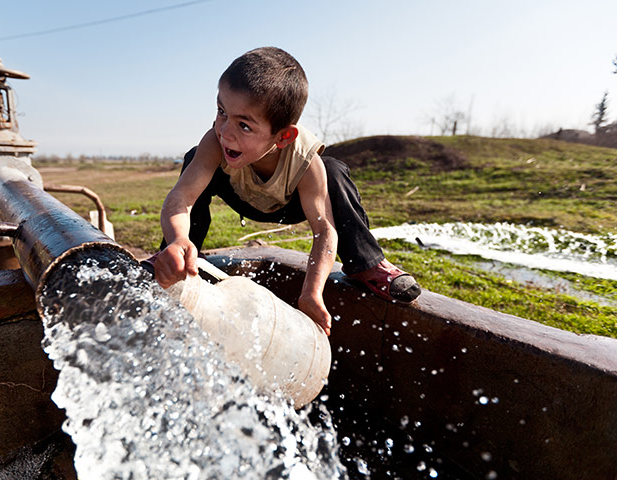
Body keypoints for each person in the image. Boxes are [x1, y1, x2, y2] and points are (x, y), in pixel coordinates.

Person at [153, 46, 420, 336]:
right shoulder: (216, 142)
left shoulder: (306, 161)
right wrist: (177, 238)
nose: (225, 131)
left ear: (283, 136)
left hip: (290, 205)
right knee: (195, 157)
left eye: (244, 125)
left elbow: (324, 232)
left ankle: (366, 264)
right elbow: (181, 198)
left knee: (335, 171)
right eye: (221, 111)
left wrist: (312, 292)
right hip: (241, 197)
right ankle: (179, 255)